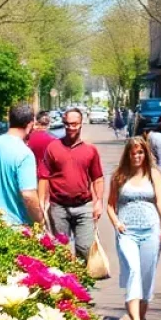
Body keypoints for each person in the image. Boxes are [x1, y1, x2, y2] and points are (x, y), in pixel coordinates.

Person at [108, 135, 161, 320]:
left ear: (145, 153)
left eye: (140, 152)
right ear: (128, 154)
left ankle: (142, 316)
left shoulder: (154, 174)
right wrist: (116, 222)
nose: (137, 156)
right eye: (133, 153)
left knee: (147, 273)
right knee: (133, 270)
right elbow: (110, 204)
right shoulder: (119, 175)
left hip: (151, 229)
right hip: (128, 231)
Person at [39, 107, 105, 259]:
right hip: (59, 207)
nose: (70, 128)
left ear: (81, 124)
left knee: (85, 249)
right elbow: (44, 176)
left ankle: (82, 282)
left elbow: (98, 178)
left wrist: (99, 202)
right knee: (61, 252)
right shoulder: (53, 147)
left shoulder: (90, 150)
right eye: (67, 124)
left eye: (74, 124)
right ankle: (66, 281)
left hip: (84, 206)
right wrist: (42, 203)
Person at [0, 103, 44, 227]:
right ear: (30, 124)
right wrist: (40, 220)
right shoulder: (25, 153)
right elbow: (28, 195)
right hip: (17, 228)